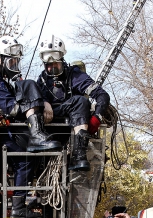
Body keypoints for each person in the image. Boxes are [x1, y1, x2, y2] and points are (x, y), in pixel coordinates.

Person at [0, 35, 62, 218]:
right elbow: (12, 108)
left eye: (15, 62)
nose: (14, 66)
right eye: (11, 62)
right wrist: (36, 107)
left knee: (26, 154)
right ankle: (17, 208)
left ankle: (18, 207)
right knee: (25, 158)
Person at [36, 35, 111, 172]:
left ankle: (79, 154)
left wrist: (97, 118)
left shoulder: (74, 75)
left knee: (81, 101)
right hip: (50, 124)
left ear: (62, 61)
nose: (52, 69)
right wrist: (44, 101)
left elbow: (102, 95)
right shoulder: (41, 80)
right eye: (49, 66)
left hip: (73, 119)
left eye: (56, 65)